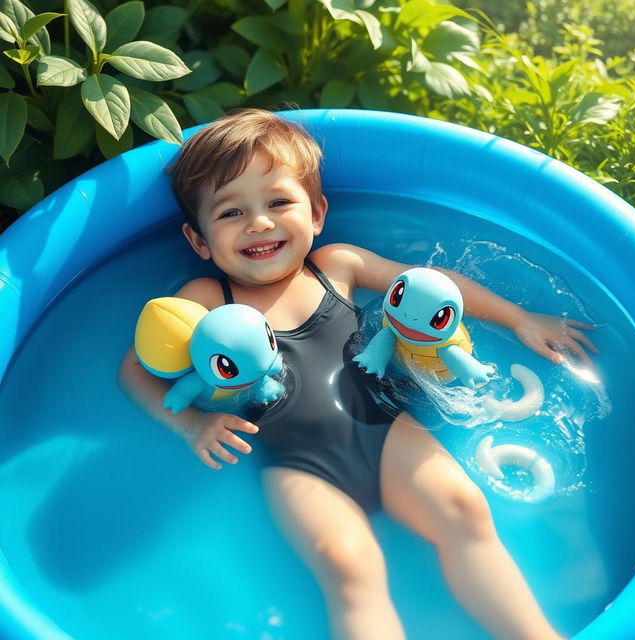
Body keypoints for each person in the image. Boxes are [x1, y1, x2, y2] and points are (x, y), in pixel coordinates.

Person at [118, 108, 597, 640]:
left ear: (317, 212)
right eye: (231, 213)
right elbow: (136, 370)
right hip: (299, 464)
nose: (259, 222)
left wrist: (519, 317)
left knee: (463, 511)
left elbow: (431, 286)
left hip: (388, 431)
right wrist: (192, 426)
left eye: (279, 202)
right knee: (349, 566)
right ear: (200, 241)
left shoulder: (338, 264)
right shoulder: (205, 301)